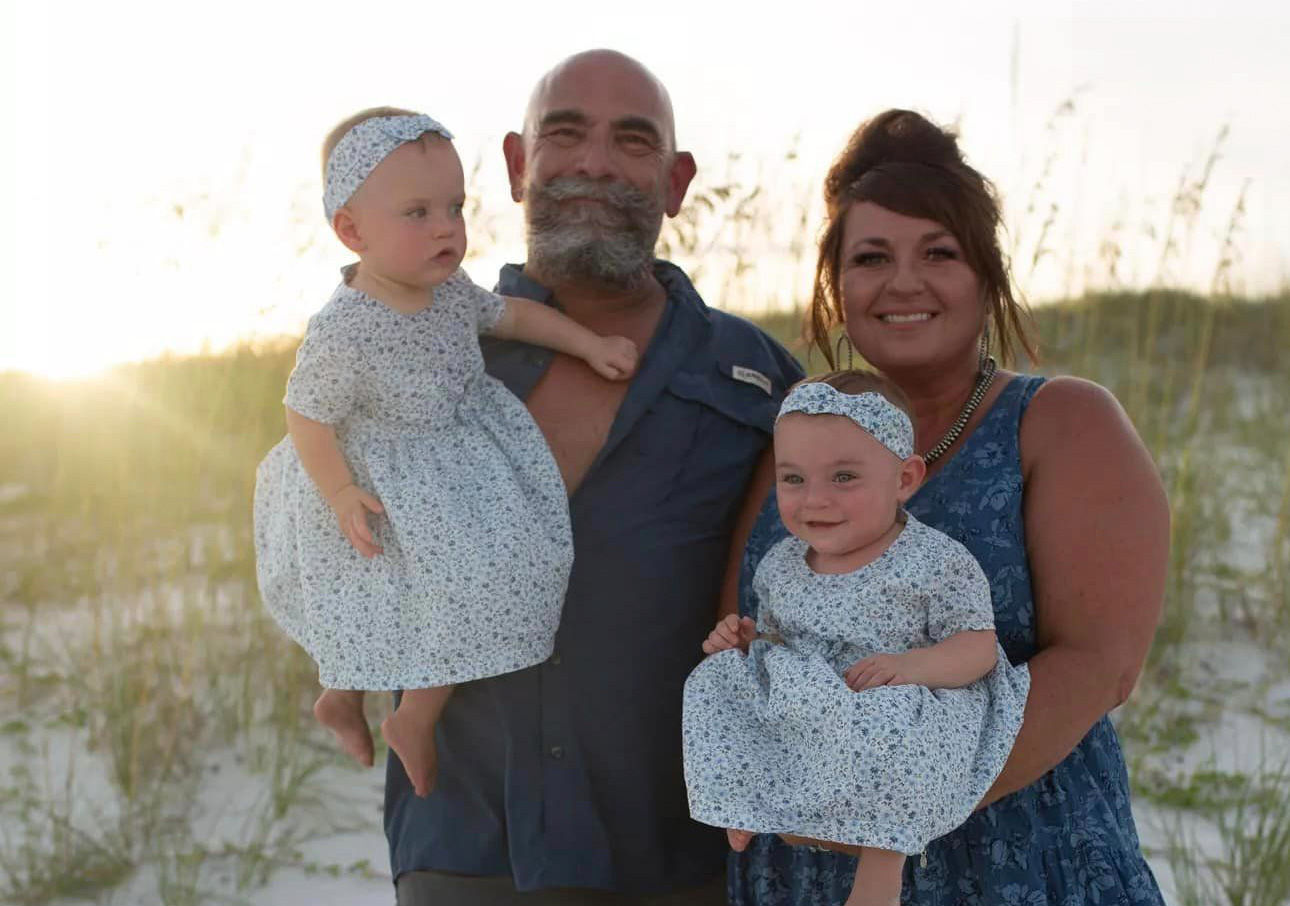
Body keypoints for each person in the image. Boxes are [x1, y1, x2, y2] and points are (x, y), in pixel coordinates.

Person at [382, 51, 804, 904]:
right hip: (464, 842)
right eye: (564, 134)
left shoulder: (759, 381)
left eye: (633, 141)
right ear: (513, 165)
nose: (595, 163)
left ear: (676, 180)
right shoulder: (413, 354)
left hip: (677, 853)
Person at [729, 110, 1170, 904]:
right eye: (871, 257)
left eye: (939, 253)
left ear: (986, 276)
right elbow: (748, 645)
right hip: (807, 869)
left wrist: (888, 806)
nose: (904, 282)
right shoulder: (788, 453)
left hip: (1019, 861)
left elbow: (1098, 666)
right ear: (836, 284)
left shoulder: (1061, 424)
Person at [253, 107, 640, 800]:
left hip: (454, 467)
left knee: (468, 582)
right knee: (367, 592)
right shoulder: (345, 328)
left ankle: (411, 715)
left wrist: (588, 345)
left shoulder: (449, 293)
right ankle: (346, 697)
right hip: (372, 474)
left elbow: (514, 315)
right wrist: (340, 492)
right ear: (351, 230)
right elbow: (306, 414)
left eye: (454, 207)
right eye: (416, 212)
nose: (445, 227)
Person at [683, 370, 1031, 906]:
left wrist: (910, 667)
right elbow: (781, 638)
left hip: (893, 696)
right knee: (715, 678)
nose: (814, 500)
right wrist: (748, 640)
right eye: (794, 479)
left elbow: (978, 649)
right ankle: (743, 797)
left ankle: (880, 875)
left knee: (892, 720)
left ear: (905, 478)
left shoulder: (934, 562)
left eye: (843, 477)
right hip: (816, 700)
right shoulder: (781, 564)